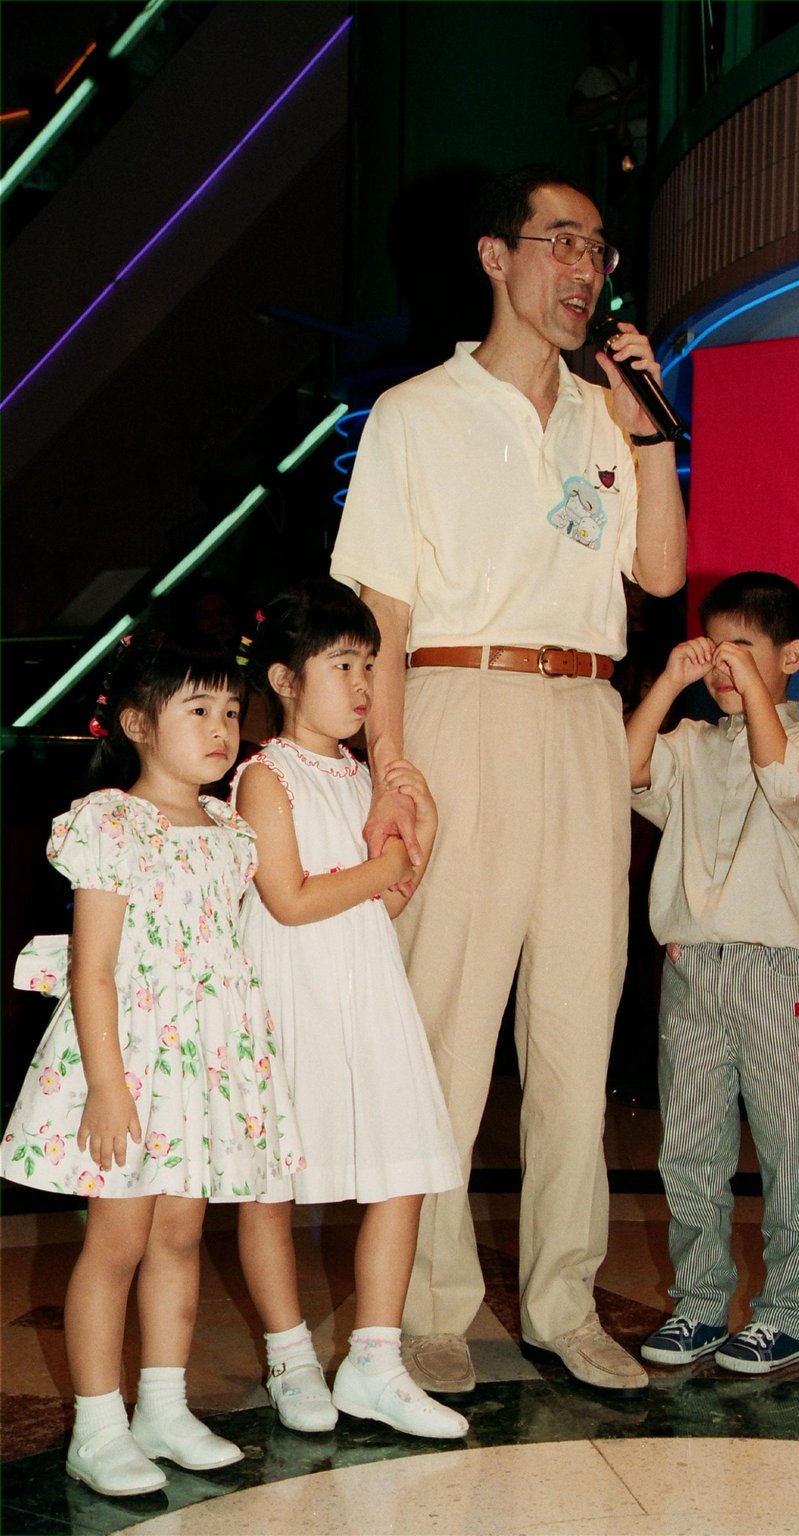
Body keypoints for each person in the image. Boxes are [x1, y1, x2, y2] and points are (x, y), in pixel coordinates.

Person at [330, 164, 686, 1397]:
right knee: (446, 1025)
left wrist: (644, 431)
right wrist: (391, 756)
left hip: (584, 713)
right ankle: (426, 1301)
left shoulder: (608, 412)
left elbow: (657, 574)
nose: (585, 270)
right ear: (497, 257)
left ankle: (563, 1298)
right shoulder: (415, 414)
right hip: (460, 701)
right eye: (562, 243)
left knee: (580, 1028)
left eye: (599, 251)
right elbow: (380, 603)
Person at [1, 626, 301, 1497]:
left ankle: (162, 1406)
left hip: (204, 1066)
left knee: (179, 1233)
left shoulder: (229, 831)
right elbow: (93, 967)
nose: (222, 728)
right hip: (131, 1063)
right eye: (197, 709)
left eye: (232, 711)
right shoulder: (109, 824)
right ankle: (97, 1425)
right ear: (137, 723)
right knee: (118, 1240)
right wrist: (106, 1086)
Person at [231, 580, 468, 1440]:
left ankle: (375, 1357)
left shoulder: (366, 775)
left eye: (369, 663)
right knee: (273, 1190)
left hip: (367, 990)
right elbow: (289, 900)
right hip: (292, 996)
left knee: (399, 1170)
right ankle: (292, 1357)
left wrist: (420, 843)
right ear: (288, 679)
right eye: (342, 664)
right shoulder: (264, 774)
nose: (363, 683)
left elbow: (385, 905)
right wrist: (388, 866)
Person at [625, 572, 799, 1374]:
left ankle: (789, 1310)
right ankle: (701, 1303)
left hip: (774, 974)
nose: (725, 667)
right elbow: (623, 770)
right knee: (689, 1148)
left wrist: (751, 689)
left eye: (745, 651)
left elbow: (783, 780)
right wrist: (667, 686)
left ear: (792, 656)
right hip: (693, 972)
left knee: (792, 1148)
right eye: (717, 650)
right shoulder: (688, 745)